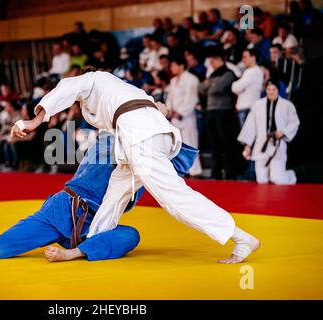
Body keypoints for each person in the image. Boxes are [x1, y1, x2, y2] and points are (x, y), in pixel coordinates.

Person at [13, 70, 260, 264]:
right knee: (115, 193)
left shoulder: (93, 80)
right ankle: (90, 244)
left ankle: (241, 238)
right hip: (145, 136)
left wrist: (35, 121)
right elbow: (158, 108)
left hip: (141, 138)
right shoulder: (123, 90)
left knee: (173, 197)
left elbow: (67, 86)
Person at [0, 130, 197, 261]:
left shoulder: (150, 166)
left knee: (130, 235)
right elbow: (117, 127)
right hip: (61, 210)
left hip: (95, 224)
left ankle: (74, 253)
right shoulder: (111, 143)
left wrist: (164, 126)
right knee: (0, 249)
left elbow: (180, 161)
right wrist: (151, 112)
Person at [238, 79, 300, 184]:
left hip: (277, 144)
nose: (271, 92)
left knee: (278, 179)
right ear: (265, 90)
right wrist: (247, 145)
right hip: (261, 144)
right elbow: (250, 125)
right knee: (261, 180)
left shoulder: (287, 105)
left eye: (274, 89)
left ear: (278, 90)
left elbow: (294, 122)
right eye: (268, 89)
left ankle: (291, 175)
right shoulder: (258, 105)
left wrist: (283, 132)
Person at [199, 48, 238, 180]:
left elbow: (217, 88)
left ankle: (229, 173)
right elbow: (200, 88)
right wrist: (210, 84)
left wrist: (209, 84)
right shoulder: (213, 75)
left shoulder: (228, 73)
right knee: (214, 143)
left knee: (225, 143)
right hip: (211, 112)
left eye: (213, 60)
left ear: (220, 59)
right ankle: (216, 173)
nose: (211, 63)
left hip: (224, 112)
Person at [166, 56, 202, 176]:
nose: (171, 68)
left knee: (191, 143)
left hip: (186, 116)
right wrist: (169, 110)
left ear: (181, 66)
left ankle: (195, 171)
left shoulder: (192, 79)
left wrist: (180, 112)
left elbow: (192, 98)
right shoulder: (173, 81)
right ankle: (181, 170)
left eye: (173, 65)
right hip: (174, 117)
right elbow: (169, 98)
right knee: (176, 145)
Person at [232, 48, 264, 127]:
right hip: (247, 108)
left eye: (245, 57)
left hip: (248, 108)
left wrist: (236, 84)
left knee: (247, 138)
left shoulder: (253, 71)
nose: (243, 60)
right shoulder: (251, 71)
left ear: (253, 57)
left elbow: (236, 88)